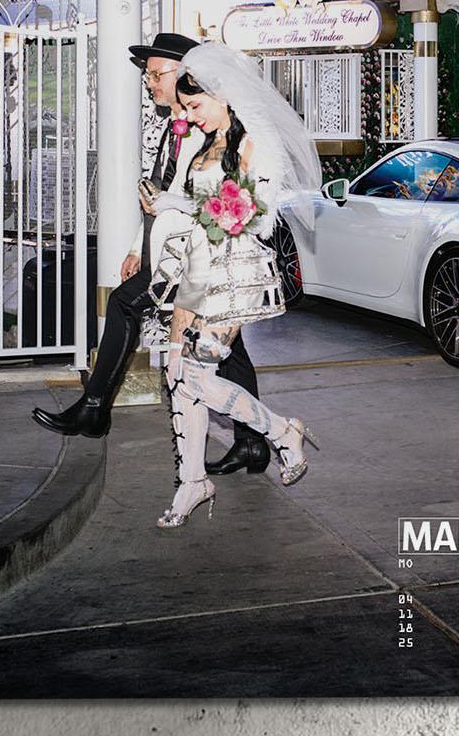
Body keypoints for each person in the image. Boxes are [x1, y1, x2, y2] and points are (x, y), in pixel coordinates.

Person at [30, 32, 268, 471]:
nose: (151, 83)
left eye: (157, 74)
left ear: (186, 73)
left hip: (199, 256)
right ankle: (254, 440)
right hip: (175, 251)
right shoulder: (175, 128)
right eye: (149, 77)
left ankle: (96, 406)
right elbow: (166, 194)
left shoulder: (209, 128)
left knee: (126, 305)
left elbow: (196, 197)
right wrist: (137, 245)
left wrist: (171, 215)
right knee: (232, 350)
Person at [147, 43, 323, 530]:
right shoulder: (206, 147)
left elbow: (253, 216)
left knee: (197, 377)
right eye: (185, 108)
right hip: (193, 269)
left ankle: (283, 432)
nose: (190, 116)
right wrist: (172, 207)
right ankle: (192, 481)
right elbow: (194, 207)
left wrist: (196, 212)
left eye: (196, 106)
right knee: (177, 373)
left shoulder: (254, 145)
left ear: (222, 96)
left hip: (233, 276)